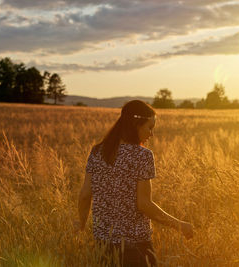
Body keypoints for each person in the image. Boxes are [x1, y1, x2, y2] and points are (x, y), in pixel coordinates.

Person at [78, 100, 194, 266]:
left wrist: (81, 225)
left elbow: (85, 195)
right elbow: (144, 204)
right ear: (135, 124)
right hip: (136, 246)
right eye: (149, 128)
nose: (151, 134)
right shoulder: (142, 156)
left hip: (103, 246)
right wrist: (179, 225)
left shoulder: (97, 152)